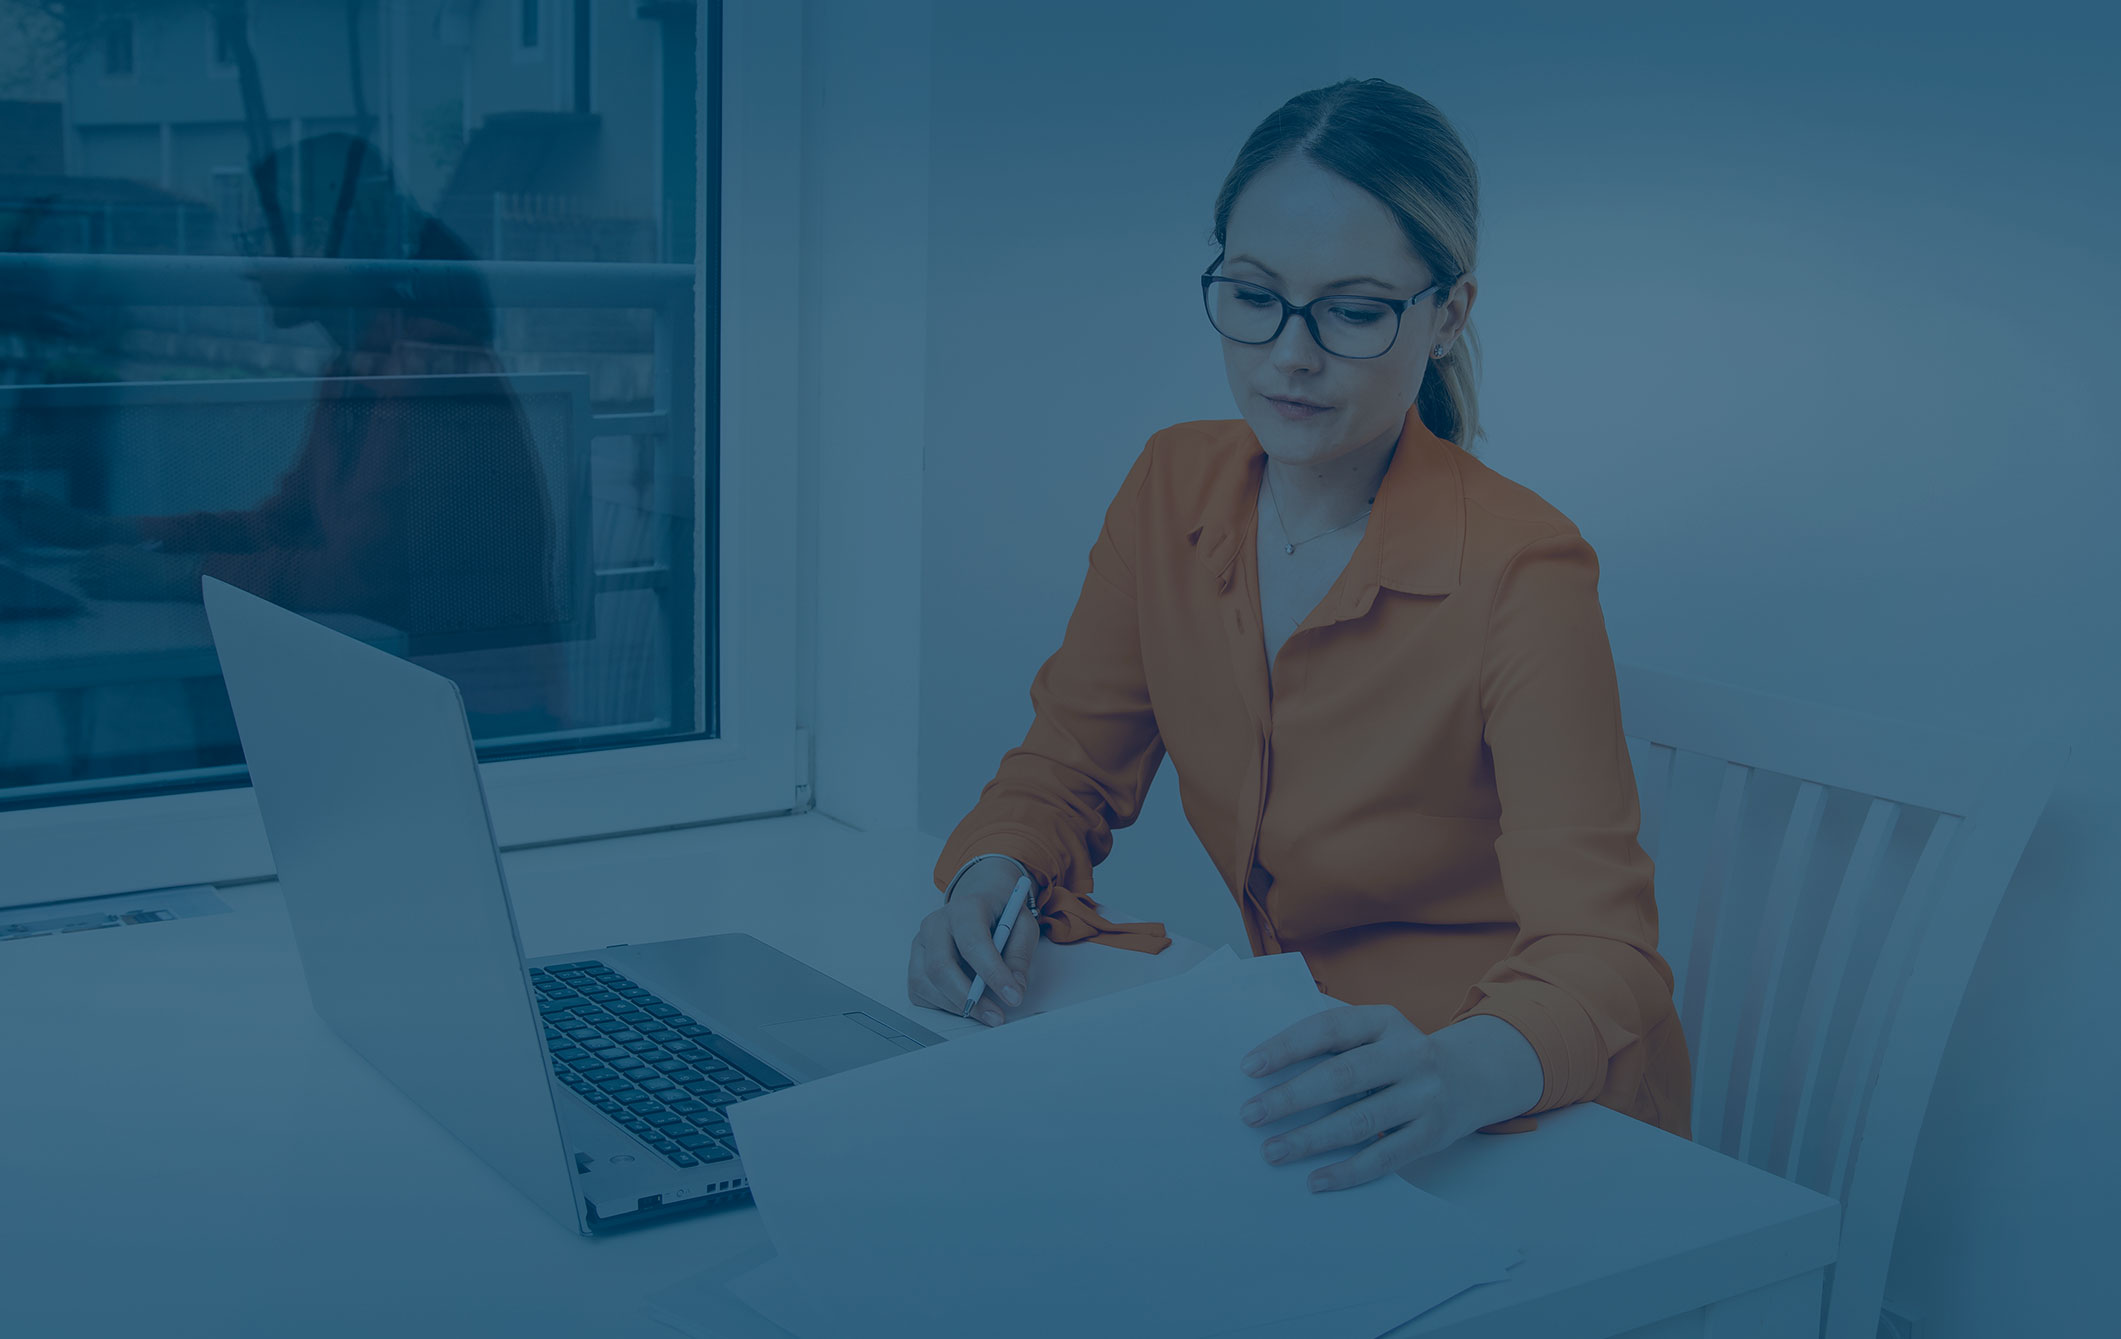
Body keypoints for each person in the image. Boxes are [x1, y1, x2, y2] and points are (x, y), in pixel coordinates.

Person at [906, 78, 1692, 1193]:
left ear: (1447, 315)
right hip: (1312, 1088)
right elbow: (1067, 768)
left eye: (1354, 312)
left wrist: (1456, 1072)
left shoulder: (1524, 567)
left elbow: (1603, 952)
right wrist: (990, 878)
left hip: (1516, 1110)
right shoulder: (1170, 488)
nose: (1288, 355)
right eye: (1254, 295)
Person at [0, 133, 566, 737]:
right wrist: (106, 531)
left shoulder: (430, 370)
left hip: (470, 714)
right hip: (387, 679)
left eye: (262, 237)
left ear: (323, 238)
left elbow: (357, 579)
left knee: (178, 729)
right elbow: (279, 526)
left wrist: (176, 576)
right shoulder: (353, 370)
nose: (251, 262)